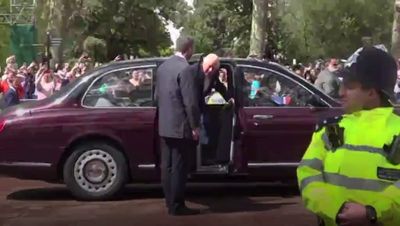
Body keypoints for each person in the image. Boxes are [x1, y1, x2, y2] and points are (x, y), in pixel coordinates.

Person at [297, 46, 400, 226]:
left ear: (372, 92)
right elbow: (307, 174)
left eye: (349, 87)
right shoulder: (329, 130)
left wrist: (372, 212)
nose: (340, 92)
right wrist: (335, 209)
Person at [155, 35, 199, 216]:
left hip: (165, 124)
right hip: (180, 126)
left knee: (167, 166)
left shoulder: (163, 67)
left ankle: (169, 202)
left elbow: (157, 96)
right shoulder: (185, 69)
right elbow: (190, 102)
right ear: (188, 49)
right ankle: (177, 205)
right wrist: (195, 126)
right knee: (179, 167)